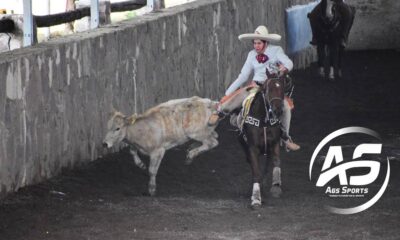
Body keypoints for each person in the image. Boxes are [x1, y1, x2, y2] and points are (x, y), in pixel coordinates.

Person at [209, 25, 300, 151]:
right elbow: (243, 76)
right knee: (240, 96)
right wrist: (228, 92)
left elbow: (289, 62)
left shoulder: (276, 50)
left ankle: (286, 139)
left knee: (285, 107)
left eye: (259, 43)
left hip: (272, 87)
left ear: (265, 42)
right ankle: (220, 112)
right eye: (254, 43)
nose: (256, 46)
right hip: (256, 85)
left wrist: (284, 68)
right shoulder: (251, 55)